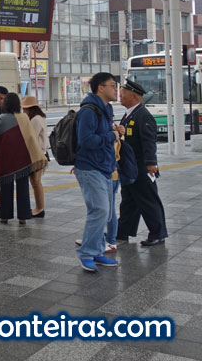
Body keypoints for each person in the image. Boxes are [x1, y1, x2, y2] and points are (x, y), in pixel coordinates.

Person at [75, 72, 121, 272]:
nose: (116, 89)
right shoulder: (89, 111)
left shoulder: (107, 109)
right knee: (100, 210)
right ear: (100, 88)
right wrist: (111, 136)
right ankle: (86, 253)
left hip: (105, 166)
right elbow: (85, 141)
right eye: (112, 85)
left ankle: (97, 251)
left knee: (106, 213)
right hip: (90, 167)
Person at [117, 79, 168, 247]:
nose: (121, 95)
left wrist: (151, 163)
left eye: (123, 93)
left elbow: (149, 141)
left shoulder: (142, 115)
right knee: (129, 201)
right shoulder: (130, 114)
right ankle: (123, 232)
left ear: (134, 96)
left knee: (148, 200)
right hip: (131, 167)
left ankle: (158, 234)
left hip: (141, 166)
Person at [0, 93, 46, 225]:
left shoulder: (1, 118)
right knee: (23, 187)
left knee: (6, 186)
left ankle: (4, 216)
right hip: (23, 158)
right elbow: (30, 137)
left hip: (6, 158)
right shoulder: (24, 117)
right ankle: (23, 216)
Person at [21, 96, 48, 218]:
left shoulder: (35, 120)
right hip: (40, 153)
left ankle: (39, 209)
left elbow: (31, 138)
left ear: (30, 109)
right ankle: (39, 208)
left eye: (25, 109)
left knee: (36, 182)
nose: (24, 111)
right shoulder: (39, 117)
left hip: (37, 154)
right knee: (36, 182)